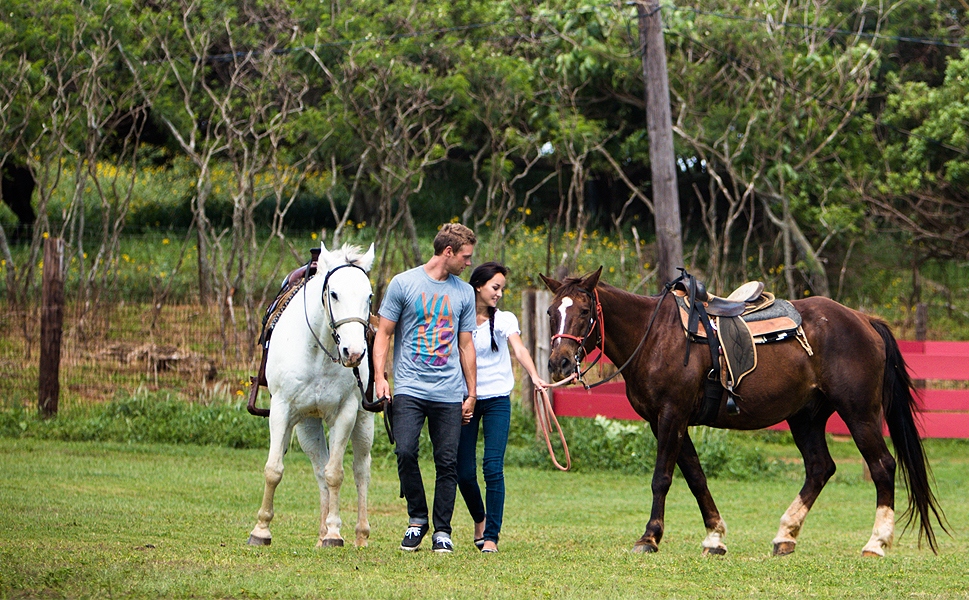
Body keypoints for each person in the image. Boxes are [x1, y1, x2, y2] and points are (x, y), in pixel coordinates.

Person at [373, 223, 479, 553]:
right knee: (405, 450)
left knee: (447, 462)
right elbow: (384, 333)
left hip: (448, 392)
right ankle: (417, 519)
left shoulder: (464, 293)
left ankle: (442, 531)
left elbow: (466, 346)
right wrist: (380, 377)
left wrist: (471, 393)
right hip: (409, 387)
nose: (468, 263)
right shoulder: (403, 284)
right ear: (448, 252)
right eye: (465, 256)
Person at [457, 261, 548, 553]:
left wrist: (535, 377)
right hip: (465, 399)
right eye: (495, 288)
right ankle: (480, 519)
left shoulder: (505, 319)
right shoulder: (461, 318)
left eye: (502, 289)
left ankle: (491, 536)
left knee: (493, 468)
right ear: (478, 286)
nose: (499, 294)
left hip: (496, 399)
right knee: (464, 472)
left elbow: (519, 348)